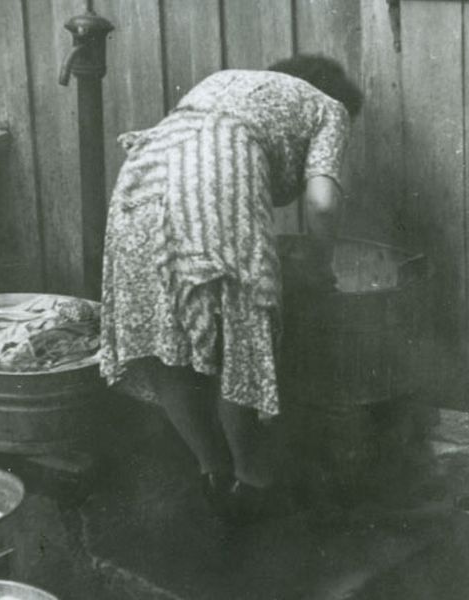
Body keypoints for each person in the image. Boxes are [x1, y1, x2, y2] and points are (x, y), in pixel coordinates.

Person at [99, 54, 362, 523]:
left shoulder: (226, 82)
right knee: (239, 338)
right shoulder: (329, 107)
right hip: (215, 186)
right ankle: (255, 480)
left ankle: (213, 472)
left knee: (163, 339)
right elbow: (322, 205)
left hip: (139, 186)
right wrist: (321, 269)